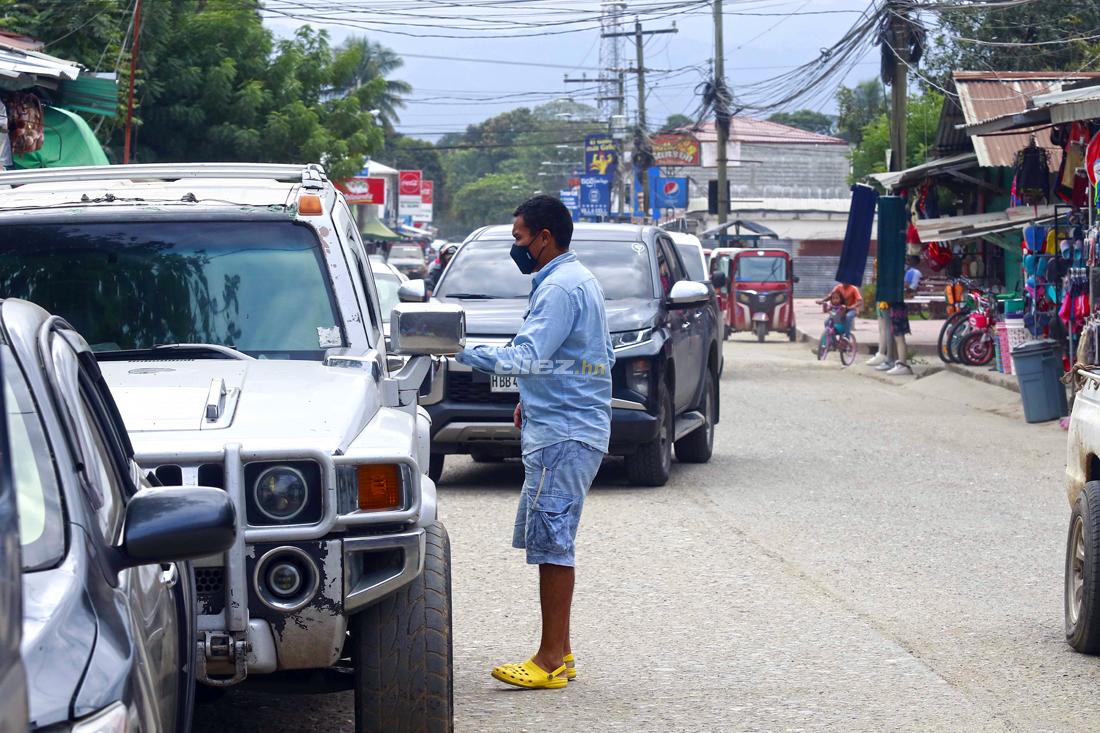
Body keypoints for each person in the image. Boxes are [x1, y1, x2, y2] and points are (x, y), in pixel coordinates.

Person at [454, 195, 614, 690]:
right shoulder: (575, 280)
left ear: (545, 237)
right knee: (549, 537)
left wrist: (456, 348)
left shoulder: (560, 289)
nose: (516, 247)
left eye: (520, 238)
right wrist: (535, 395)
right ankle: (561, 654)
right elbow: (594, 354)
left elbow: (524, 355)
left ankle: (547, 661)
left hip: (564, 433)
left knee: (552, 542)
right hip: (562, 423)